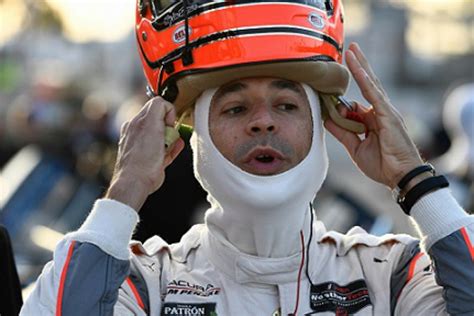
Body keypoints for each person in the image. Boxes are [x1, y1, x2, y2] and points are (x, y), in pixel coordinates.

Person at [21, 1, 473, 315]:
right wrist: (125, 191)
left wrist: (413, 179)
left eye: (287, 105)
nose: (263, 123)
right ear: (192, 136)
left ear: (322, 125)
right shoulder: (145, 284)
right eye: (236, 109)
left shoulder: (388, 274)